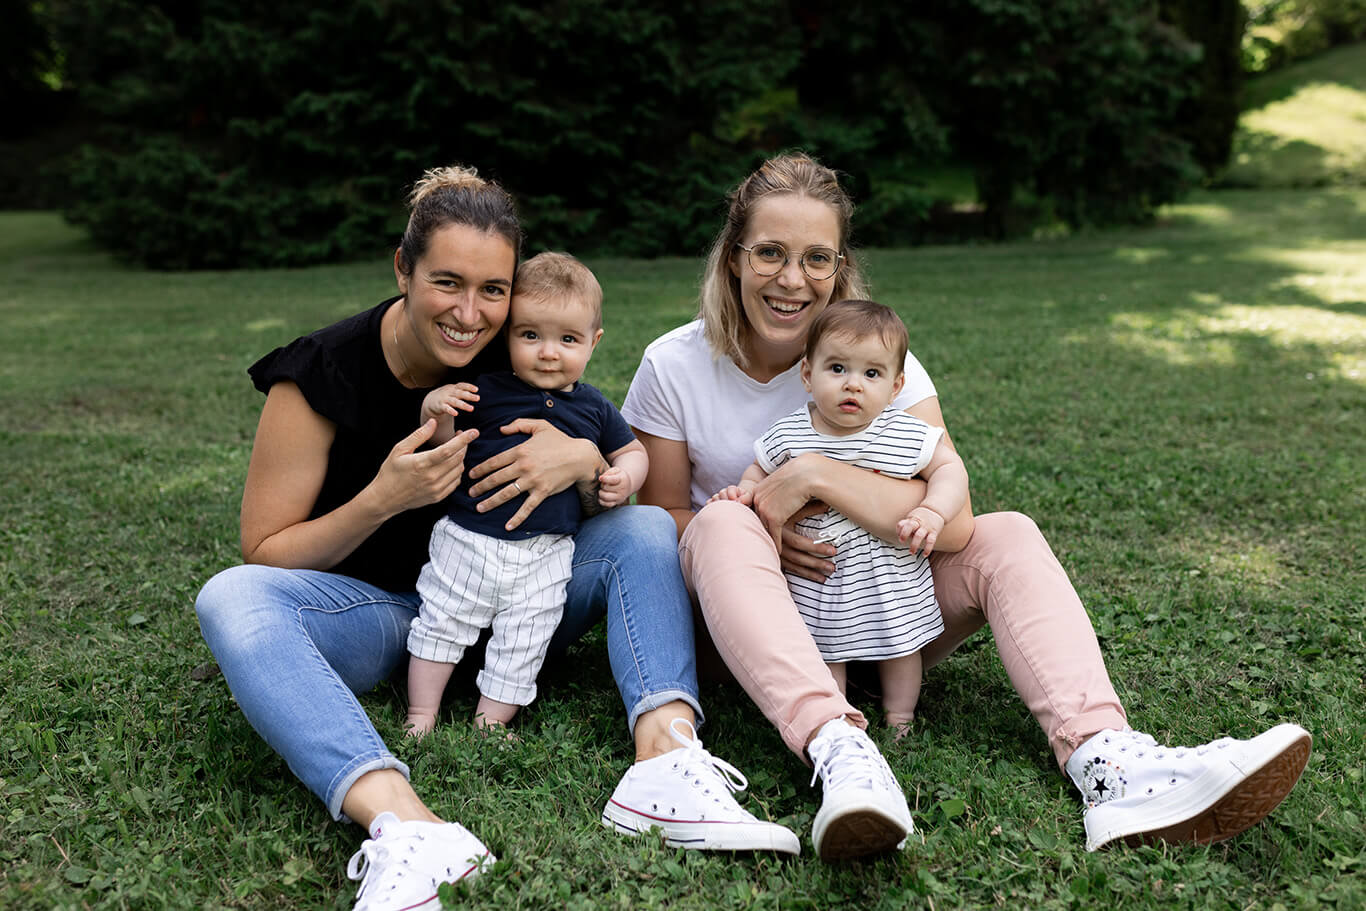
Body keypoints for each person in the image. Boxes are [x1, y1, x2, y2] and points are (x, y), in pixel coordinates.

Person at [620, 152, 1312, 861]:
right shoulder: (674, 364)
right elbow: (667, 521)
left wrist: (818, 474)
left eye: (815, 258)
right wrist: (766, 525)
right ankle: (840, 748)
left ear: (840, 266)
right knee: (723, 518)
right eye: (769, 252)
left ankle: (1108, 759)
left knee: (1007, 534)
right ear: (733, 256)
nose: (792, 279)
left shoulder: (879, 361)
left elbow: (952, 520)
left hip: (886, 609)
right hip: (759, 629)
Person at [194, 166, 797, 911]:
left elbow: (603, 451)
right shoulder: (321, 373)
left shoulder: (518, 350)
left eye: (493, 290)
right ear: (402, 270)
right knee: (231, 596)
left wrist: (585, 462)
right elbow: (267, 548)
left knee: (642, 527)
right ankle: (407, 826)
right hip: (389, 613)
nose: (470, 314)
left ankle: (667, 758)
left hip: (528, 593)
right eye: (447, 282)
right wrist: (383, 498)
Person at [405, 252, 649, 737]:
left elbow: (634, 450)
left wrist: (626, 475)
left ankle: (491, 721)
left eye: (568, 339)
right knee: (440, 621)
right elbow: (444, 442)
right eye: (530, 335)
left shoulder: (595, 408)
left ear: (594, 342)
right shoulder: (486, 389)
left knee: (526, 637)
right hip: (469, 539)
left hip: (545, 553)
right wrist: (437, 409)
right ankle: (421, 713)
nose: (548, 352)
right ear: (508, 334)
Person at [709, 299, 968, 738]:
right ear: (808, 376)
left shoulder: (902, 432)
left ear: (895, 385)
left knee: (901, 649)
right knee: (826, 651)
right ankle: (838, 722)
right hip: (820, 579)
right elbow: (759, 473)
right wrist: (745, 492)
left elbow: (949, 468)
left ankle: (900, 718)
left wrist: (932, 509)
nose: (854, 385)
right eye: (837, 369)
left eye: (872, 374)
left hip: (890, 578)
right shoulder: (790, 433)